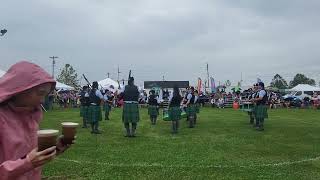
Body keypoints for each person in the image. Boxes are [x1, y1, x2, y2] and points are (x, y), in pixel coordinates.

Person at [0, 61, 72, 180]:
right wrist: (27, 163)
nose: (43, 100)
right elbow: (27, 161)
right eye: (40, 93)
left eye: (46, 94)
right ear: (20, 89)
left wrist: (56, 148)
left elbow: (30, 156)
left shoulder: (32, 116)